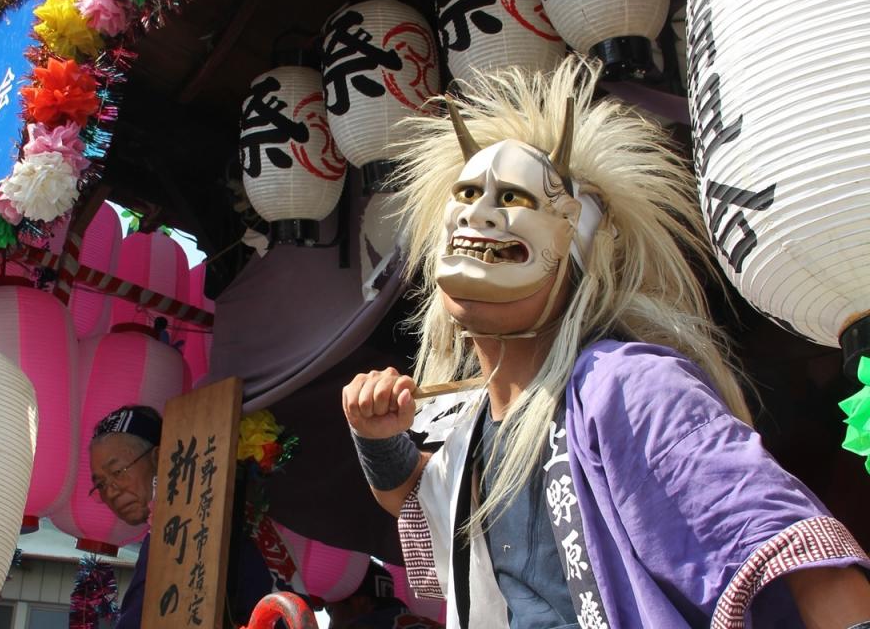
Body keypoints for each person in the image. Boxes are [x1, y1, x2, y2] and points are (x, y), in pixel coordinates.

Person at [342, 56, 870, 628]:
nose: (480, 214)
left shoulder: (626, 384)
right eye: (468, 192)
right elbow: (428, 505)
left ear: (574, 253)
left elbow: (798, 555)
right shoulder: (476, 426)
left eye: (514, 199)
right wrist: (379, 440)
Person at [89, 404, 162, 629]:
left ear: (159, 458)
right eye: (100, 484)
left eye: (118, 472)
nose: (110, 491)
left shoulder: (180, 528)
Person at [326, 560, 442, 629]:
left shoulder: (361, 626)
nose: (329, 623)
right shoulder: (432, 624)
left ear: (361, 602)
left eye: (330, 609)